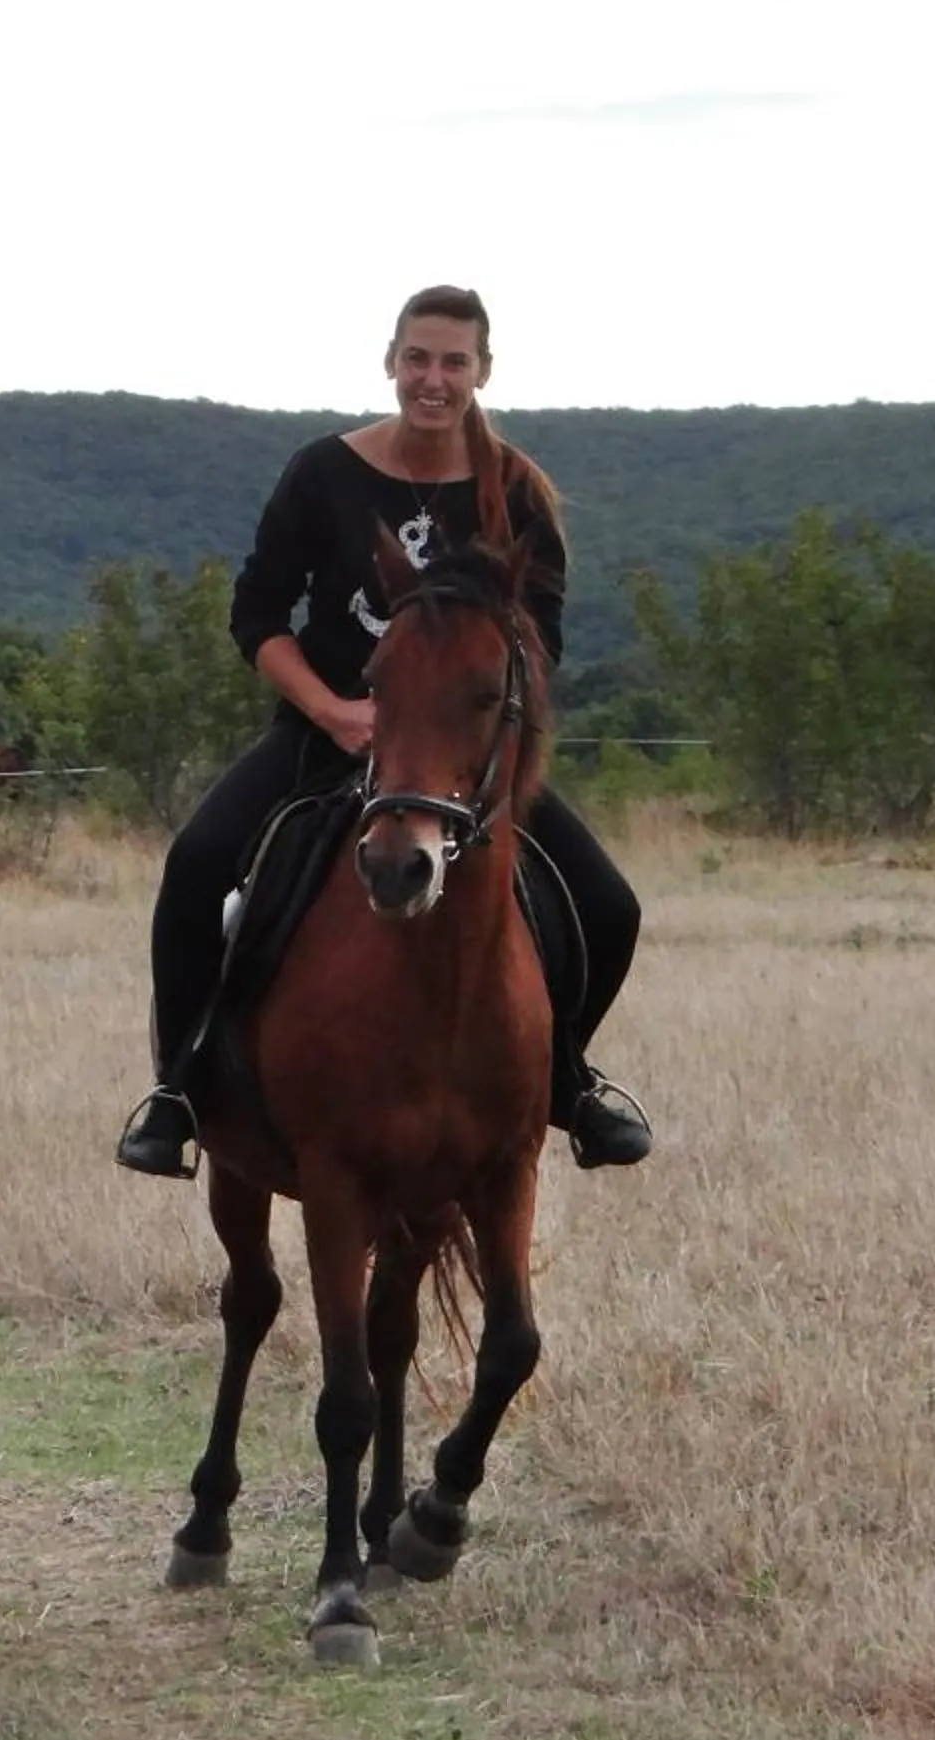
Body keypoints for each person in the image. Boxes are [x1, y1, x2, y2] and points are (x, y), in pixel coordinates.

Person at [114, 284, 654, 1178]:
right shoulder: (323, 471)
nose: (432, 379)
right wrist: (334, 708)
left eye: (453, 362)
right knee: (197, 864)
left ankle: (566, 1079)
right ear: (390, 361)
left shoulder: (515, 490)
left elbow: (540, 638)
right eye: (418, 358)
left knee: (609, 905)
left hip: (461, 754)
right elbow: (257, 615)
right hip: (327, 728)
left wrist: (459, 727)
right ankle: (177, 1091)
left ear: (484, 371)